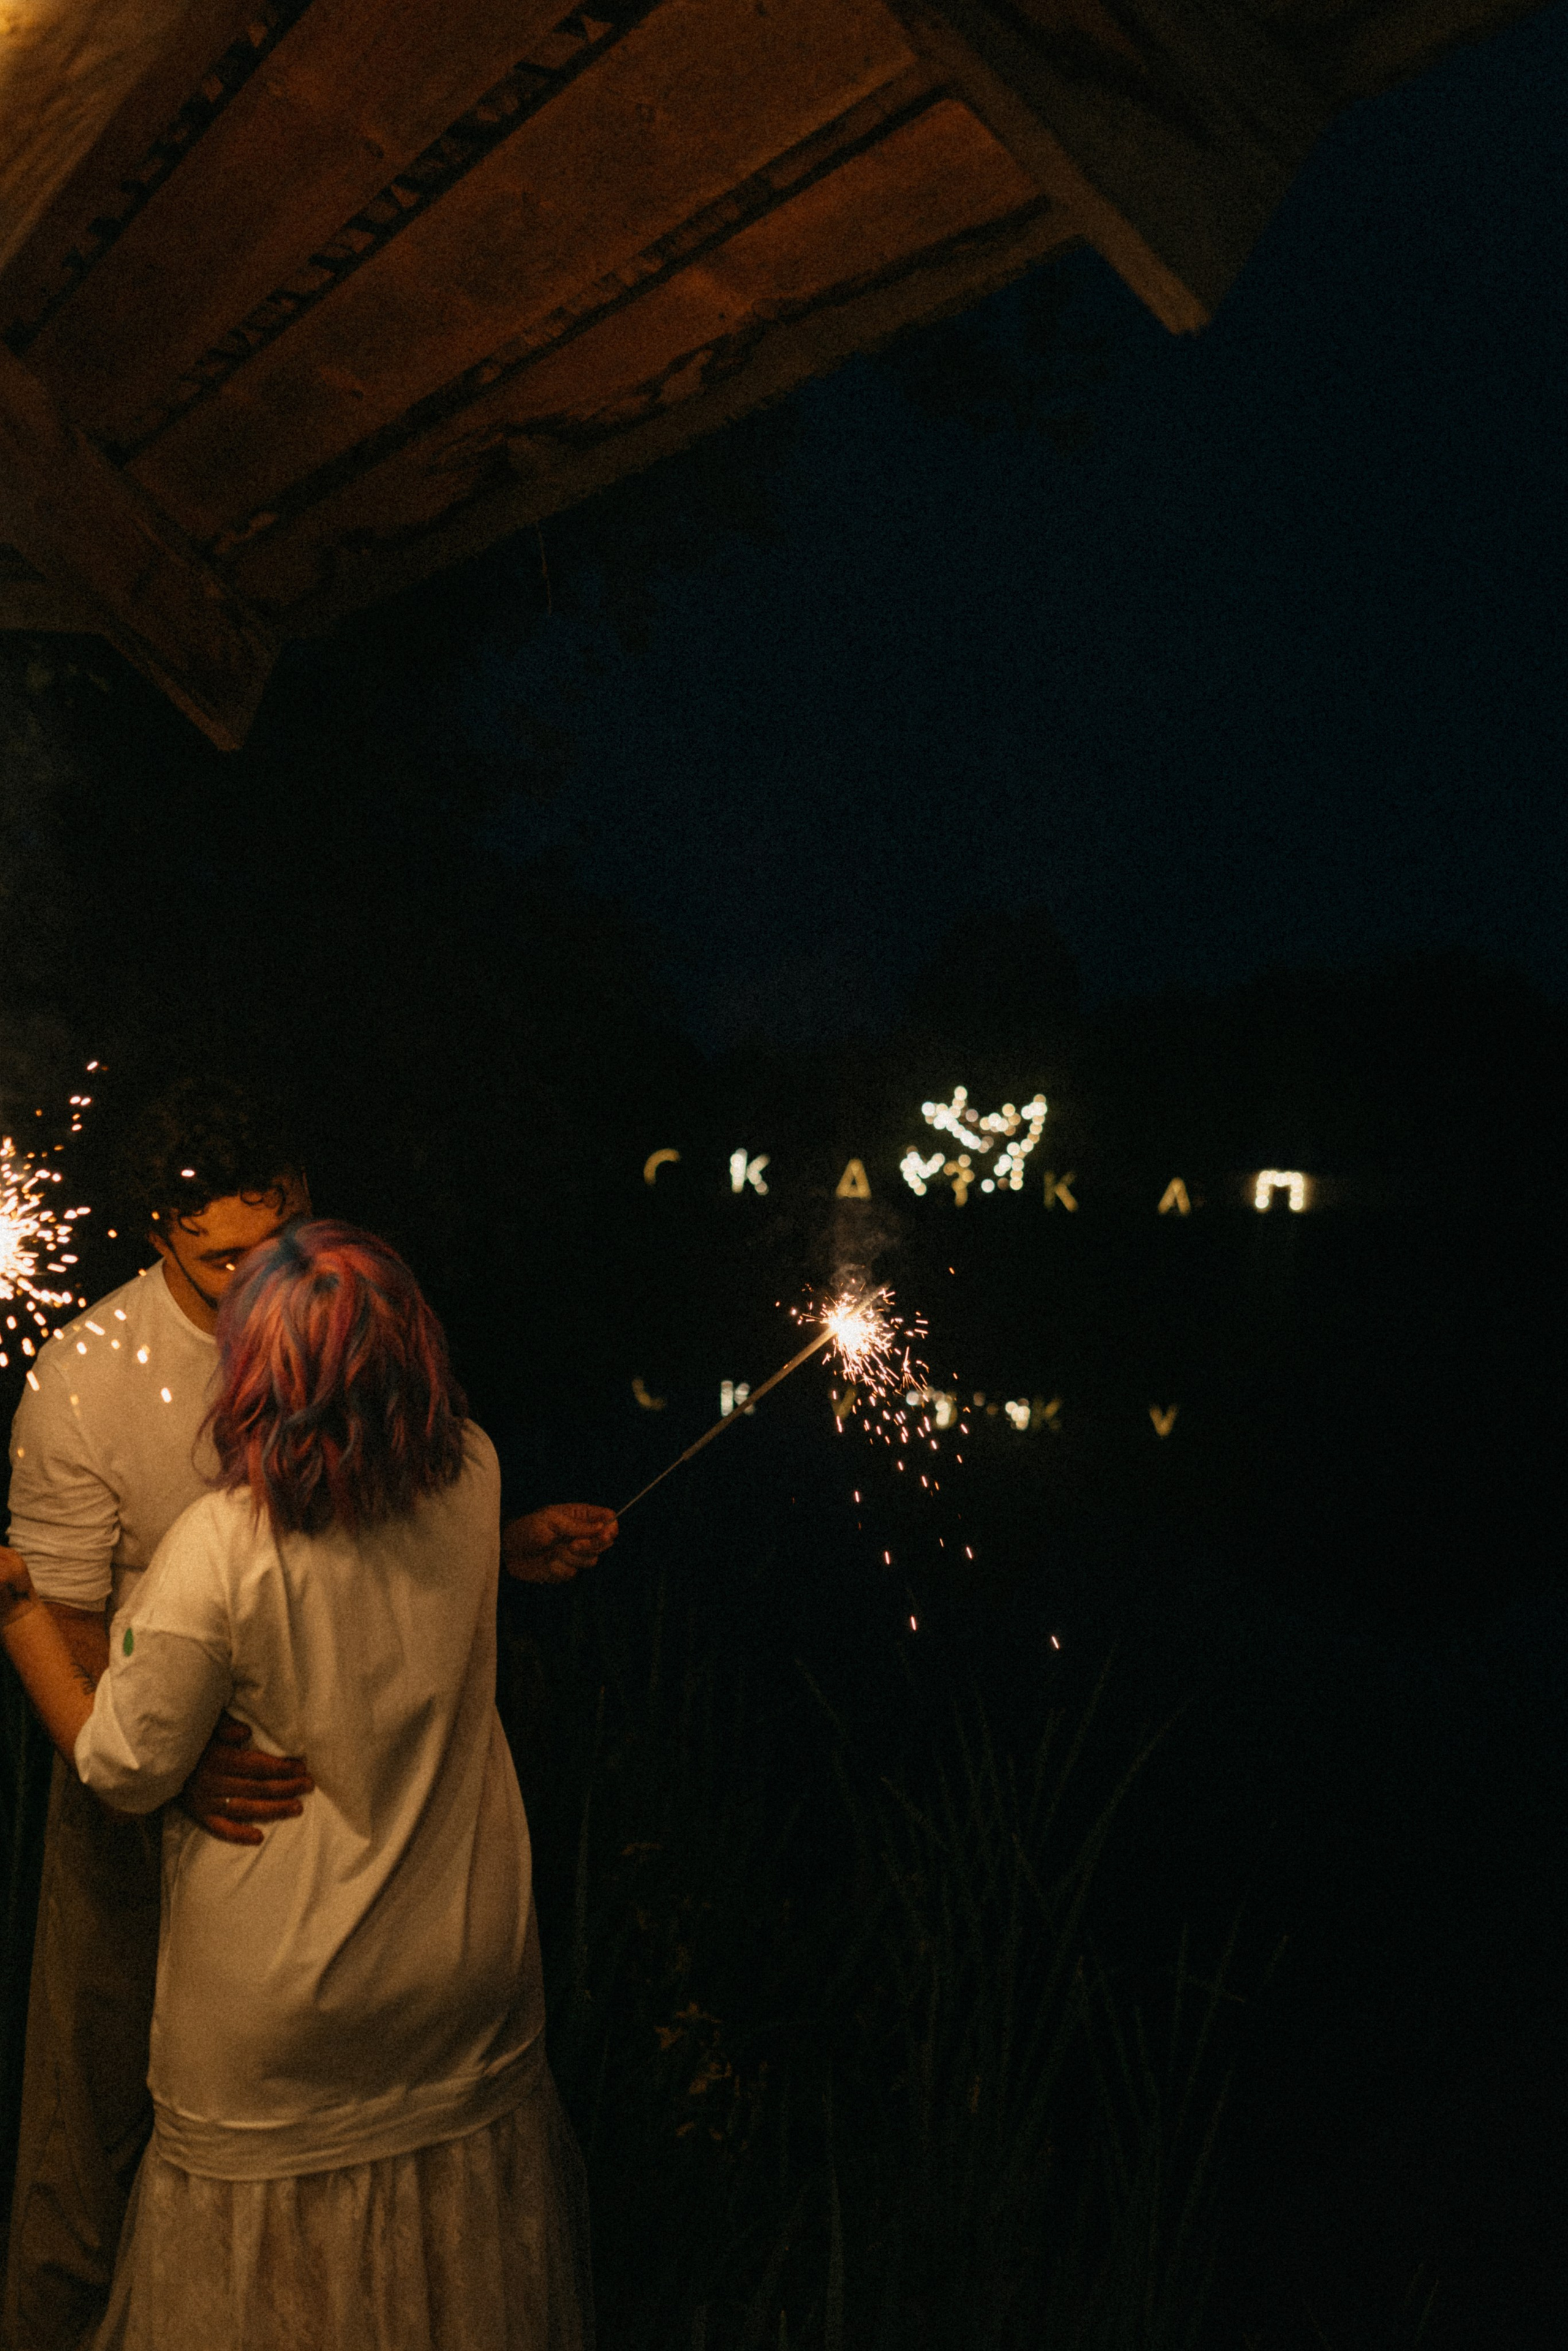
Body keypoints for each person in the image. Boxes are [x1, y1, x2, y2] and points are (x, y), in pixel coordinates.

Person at [2, 1079, 615, 2350]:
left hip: (279, 1946)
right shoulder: (89, 1381)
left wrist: (9, 1608)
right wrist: (173, 1765)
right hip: (402, 1940)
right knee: (84, 2148)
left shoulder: (220, 1545)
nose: (243, 1280)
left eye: (266, 1250)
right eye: (216, 1253)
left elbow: (167, 1665)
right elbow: (351, 1583)